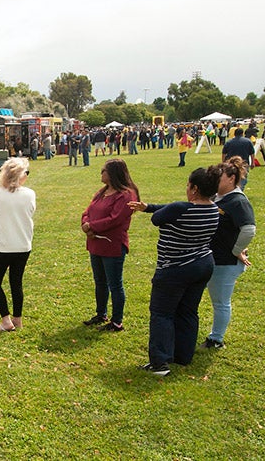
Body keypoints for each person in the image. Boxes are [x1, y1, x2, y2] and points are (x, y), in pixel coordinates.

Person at [127, 166, 221, 376]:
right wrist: (148, 206)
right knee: (188, 310)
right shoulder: (214, 209)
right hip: (203, 264)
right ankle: (183, 355)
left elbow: (158, 218)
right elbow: (172, 209)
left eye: (188, 185)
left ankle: (159, 362)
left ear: (194, 189)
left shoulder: (181, 208)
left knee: (162, 313)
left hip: (175, 267)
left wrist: (150, 210)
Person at [202, 158, 256, 349]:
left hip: (225, 261)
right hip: (212, 257)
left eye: (220, 178)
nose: (216, 181)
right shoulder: (219, 197)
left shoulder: (238, 201)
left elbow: (249, 229)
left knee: (220, 302)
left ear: (232, 178)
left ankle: (216, 339)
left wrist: (236, 250)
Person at [81, 159, 139, 332]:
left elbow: (115, 219)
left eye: (104, 170)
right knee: (100, 281)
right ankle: (101, 314)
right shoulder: (103, 192)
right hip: (95, 242)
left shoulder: (126, 195)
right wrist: (86, 224)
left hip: (112, 244)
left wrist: (92, 226)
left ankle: (117, 321)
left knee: (115, 284)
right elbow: (88, 211)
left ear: (113, 173)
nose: (101, 173)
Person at [0, 158, 35, 332]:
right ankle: (17, 319)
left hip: (3, 246)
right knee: (16, 282)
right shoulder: (29, 194)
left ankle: (6, 320)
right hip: (22, 245)